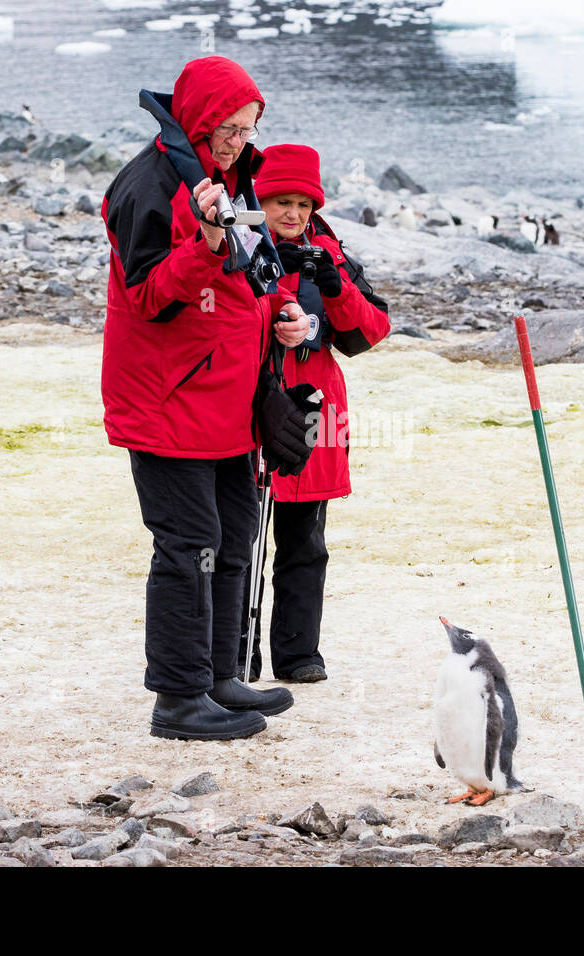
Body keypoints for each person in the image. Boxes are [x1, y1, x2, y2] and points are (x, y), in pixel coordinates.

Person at [100, 57, 313, 740]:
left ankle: (220, 677)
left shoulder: (225, 175)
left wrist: (286, 313)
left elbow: (255, 271)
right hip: (169, 401)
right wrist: (208, 243)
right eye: (230, 127)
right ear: (200, 117)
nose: (241, 141)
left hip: (225, 401)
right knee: (188, 546)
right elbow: (149, 296)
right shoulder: (147, 185)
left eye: (249, 129)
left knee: (234, 540)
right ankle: (178, 700)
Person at [240, 144, 391, 683]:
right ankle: (235, 657)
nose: (293, 213)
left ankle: (299, 655)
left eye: (303, 203)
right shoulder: (241, 247)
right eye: (281, 201)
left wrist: (332, 293)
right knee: (237, 539)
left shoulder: (332, 255)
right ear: (260, 201)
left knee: (305, 541)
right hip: (249, 406)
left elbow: (371, 331)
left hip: (314, 408)